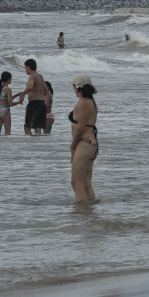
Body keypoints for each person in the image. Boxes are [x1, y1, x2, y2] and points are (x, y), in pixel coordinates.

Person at [68, 74, 98, 202]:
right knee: (85, 183)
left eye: (74, 86)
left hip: (83, 143)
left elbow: (80, 128)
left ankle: (82, 213)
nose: (73, 89)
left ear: (78, 88)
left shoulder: (85, 102)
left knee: (76, 183)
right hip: (90, 144)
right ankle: (89, 213)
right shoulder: (90, 101)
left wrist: (72, 146)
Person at [13, 59, 48, 135]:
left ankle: (31, 145)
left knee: (27, 126)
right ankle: (38, 144)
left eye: (25, 68)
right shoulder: (40, 76)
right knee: (37, 127)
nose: (25, 70)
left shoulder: (32, 77)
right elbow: (46, 90)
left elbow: (29, 87)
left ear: (28, 67)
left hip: (34, 103)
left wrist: (22, 95)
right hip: (42, 103)